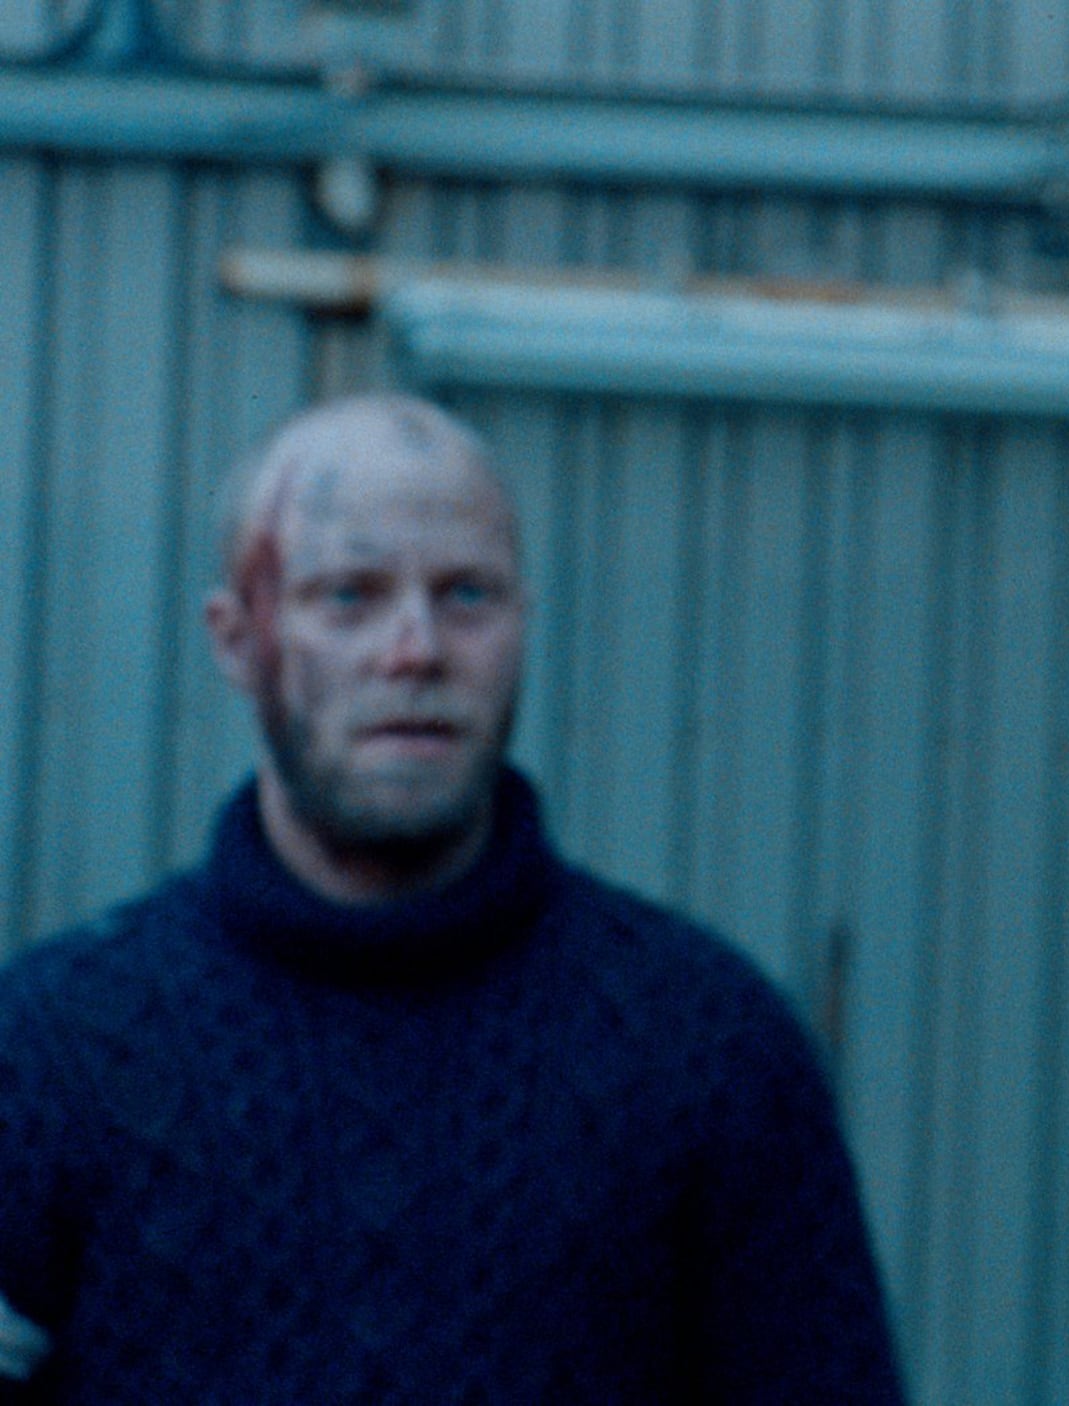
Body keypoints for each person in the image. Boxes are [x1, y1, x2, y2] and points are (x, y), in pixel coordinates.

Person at [0, 393, 906, 1402]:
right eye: (349, 595)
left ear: (523, 622)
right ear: (236, 637)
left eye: (467, 594)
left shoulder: (711, 1048)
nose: (415, 649)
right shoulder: (53, 1048)